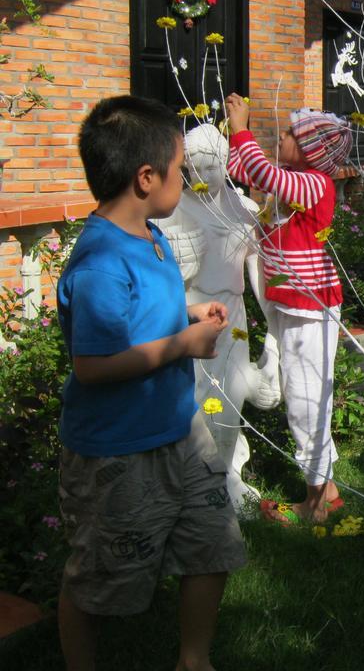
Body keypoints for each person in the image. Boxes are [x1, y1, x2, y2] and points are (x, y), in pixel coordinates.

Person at [56, 96, 247, 671]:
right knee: (98, 579)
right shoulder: (99, 263)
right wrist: (180, 347)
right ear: (146, 177)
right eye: (180, 165)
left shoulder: (151, 237)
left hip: (178, 432)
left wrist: (189, 313)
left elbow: (150, 310)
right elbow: (93, 365)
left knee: (213, 541)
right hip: (119, 452)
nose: (186, 177)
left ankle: (194, 659)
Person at [224, 92, 352, 524]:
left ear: (310, 150)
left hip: (310, 307)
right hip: (293, 304)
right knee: (304, 392)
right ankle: (327, 493)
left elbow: (259, 169)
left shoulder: (314, 184)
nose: (279, 137)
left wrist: (242, 126)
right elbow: (242, 168)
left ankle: (315, 504)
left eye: (287, 134)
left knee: (306, 397)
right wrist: (228, 136)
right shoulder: (295, 178)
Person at [159, 123, 282, 514]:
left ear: (226, 162)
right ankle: (193, 479)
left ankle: (228, 474)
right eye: (192, 167)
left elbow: (260, 279)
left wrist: (275, 337)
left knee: (229, 401)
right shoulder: (173, 211)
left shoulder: (243, 210)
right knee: (193, 401)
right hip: (192, 315)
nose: (200, 175)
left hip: (234, 317)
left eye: (209, 166)